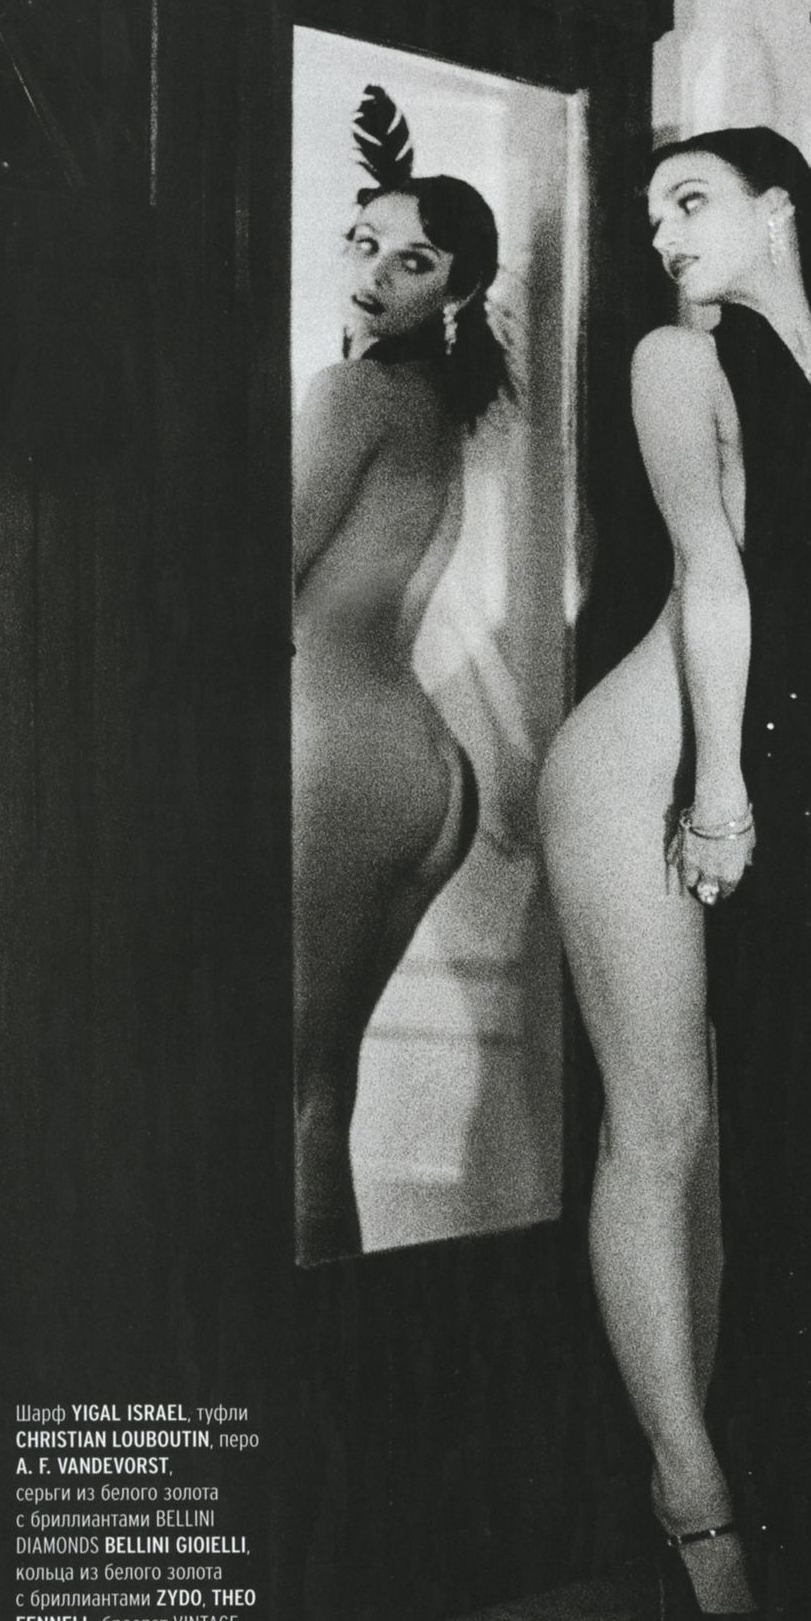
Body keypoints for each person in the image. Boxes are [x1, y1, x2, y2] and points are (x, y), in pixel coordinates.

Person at [538, 125, 811, 1621]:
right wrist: (712, 789)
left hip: (805, 777)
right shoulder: (679, 362)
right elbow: (707, 576)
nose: (662, 231)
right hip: (652, 768)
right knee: (661, 1128)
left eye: (691, 200)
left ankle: (785, 1497)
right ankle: (694, 1497)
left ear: (777, 204)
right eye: (649, 211)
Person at [293, 87, 511, 1265]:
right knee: (318, 1090)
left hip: (336, 752)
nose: (375, 273)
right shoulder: (432, 406)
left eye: (413, 260)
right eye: (364, 242)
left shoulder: (352, 393)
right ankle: (337, 1350)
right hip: (425, 769)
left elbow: (261, 577)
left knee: (286, 1091)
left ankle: (301, 1358)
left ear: (458, 292)